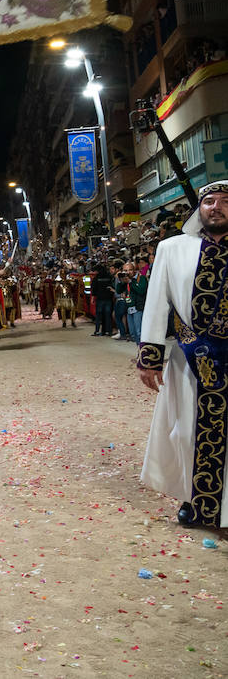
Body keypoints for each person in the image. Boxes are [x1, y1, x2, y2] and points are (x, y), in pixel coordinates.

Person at [137, 182, 228, 529]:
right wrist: (149, 356)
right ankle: (194, 501)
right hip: (192, 359)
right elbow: (157, 302)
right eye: (208, 201)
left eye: (224, 201)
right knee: (187, 432)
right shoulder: (172, 248)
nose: (215, 207)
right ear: (199, 209)